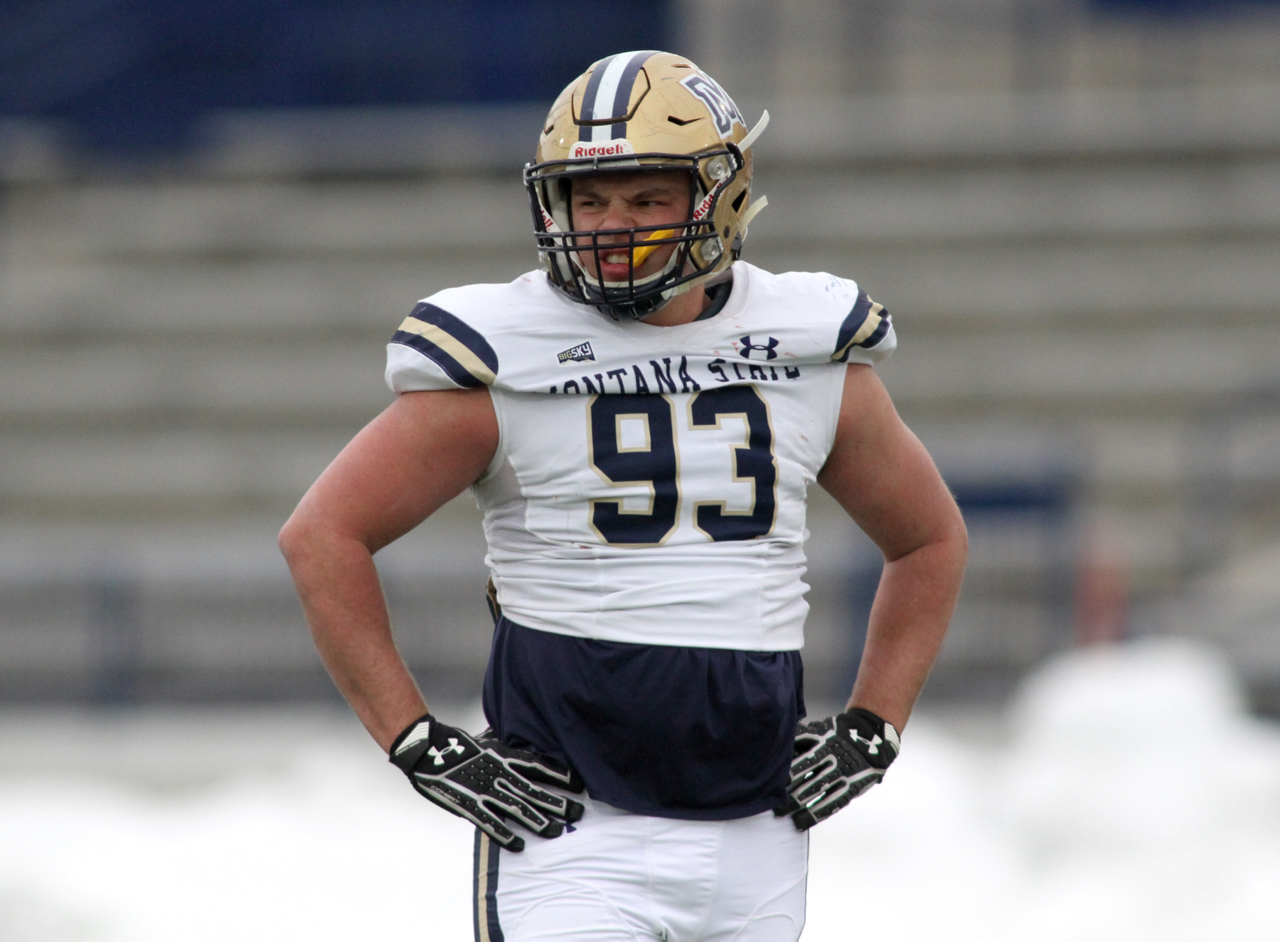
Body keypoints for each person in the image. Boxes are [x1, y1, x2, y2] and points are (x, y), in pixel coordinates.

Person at [280, 50, 966, 942]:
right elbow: (322, 535)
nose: (611, 226)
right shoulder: (508, 354)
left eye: (646, 199)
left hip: (759, 829)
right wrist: (417, 740)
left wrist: (874, 724)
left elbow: (929, 540)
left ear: (720, 198)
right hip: (570, 827)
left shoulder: (804, 346)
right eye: (589, 198)